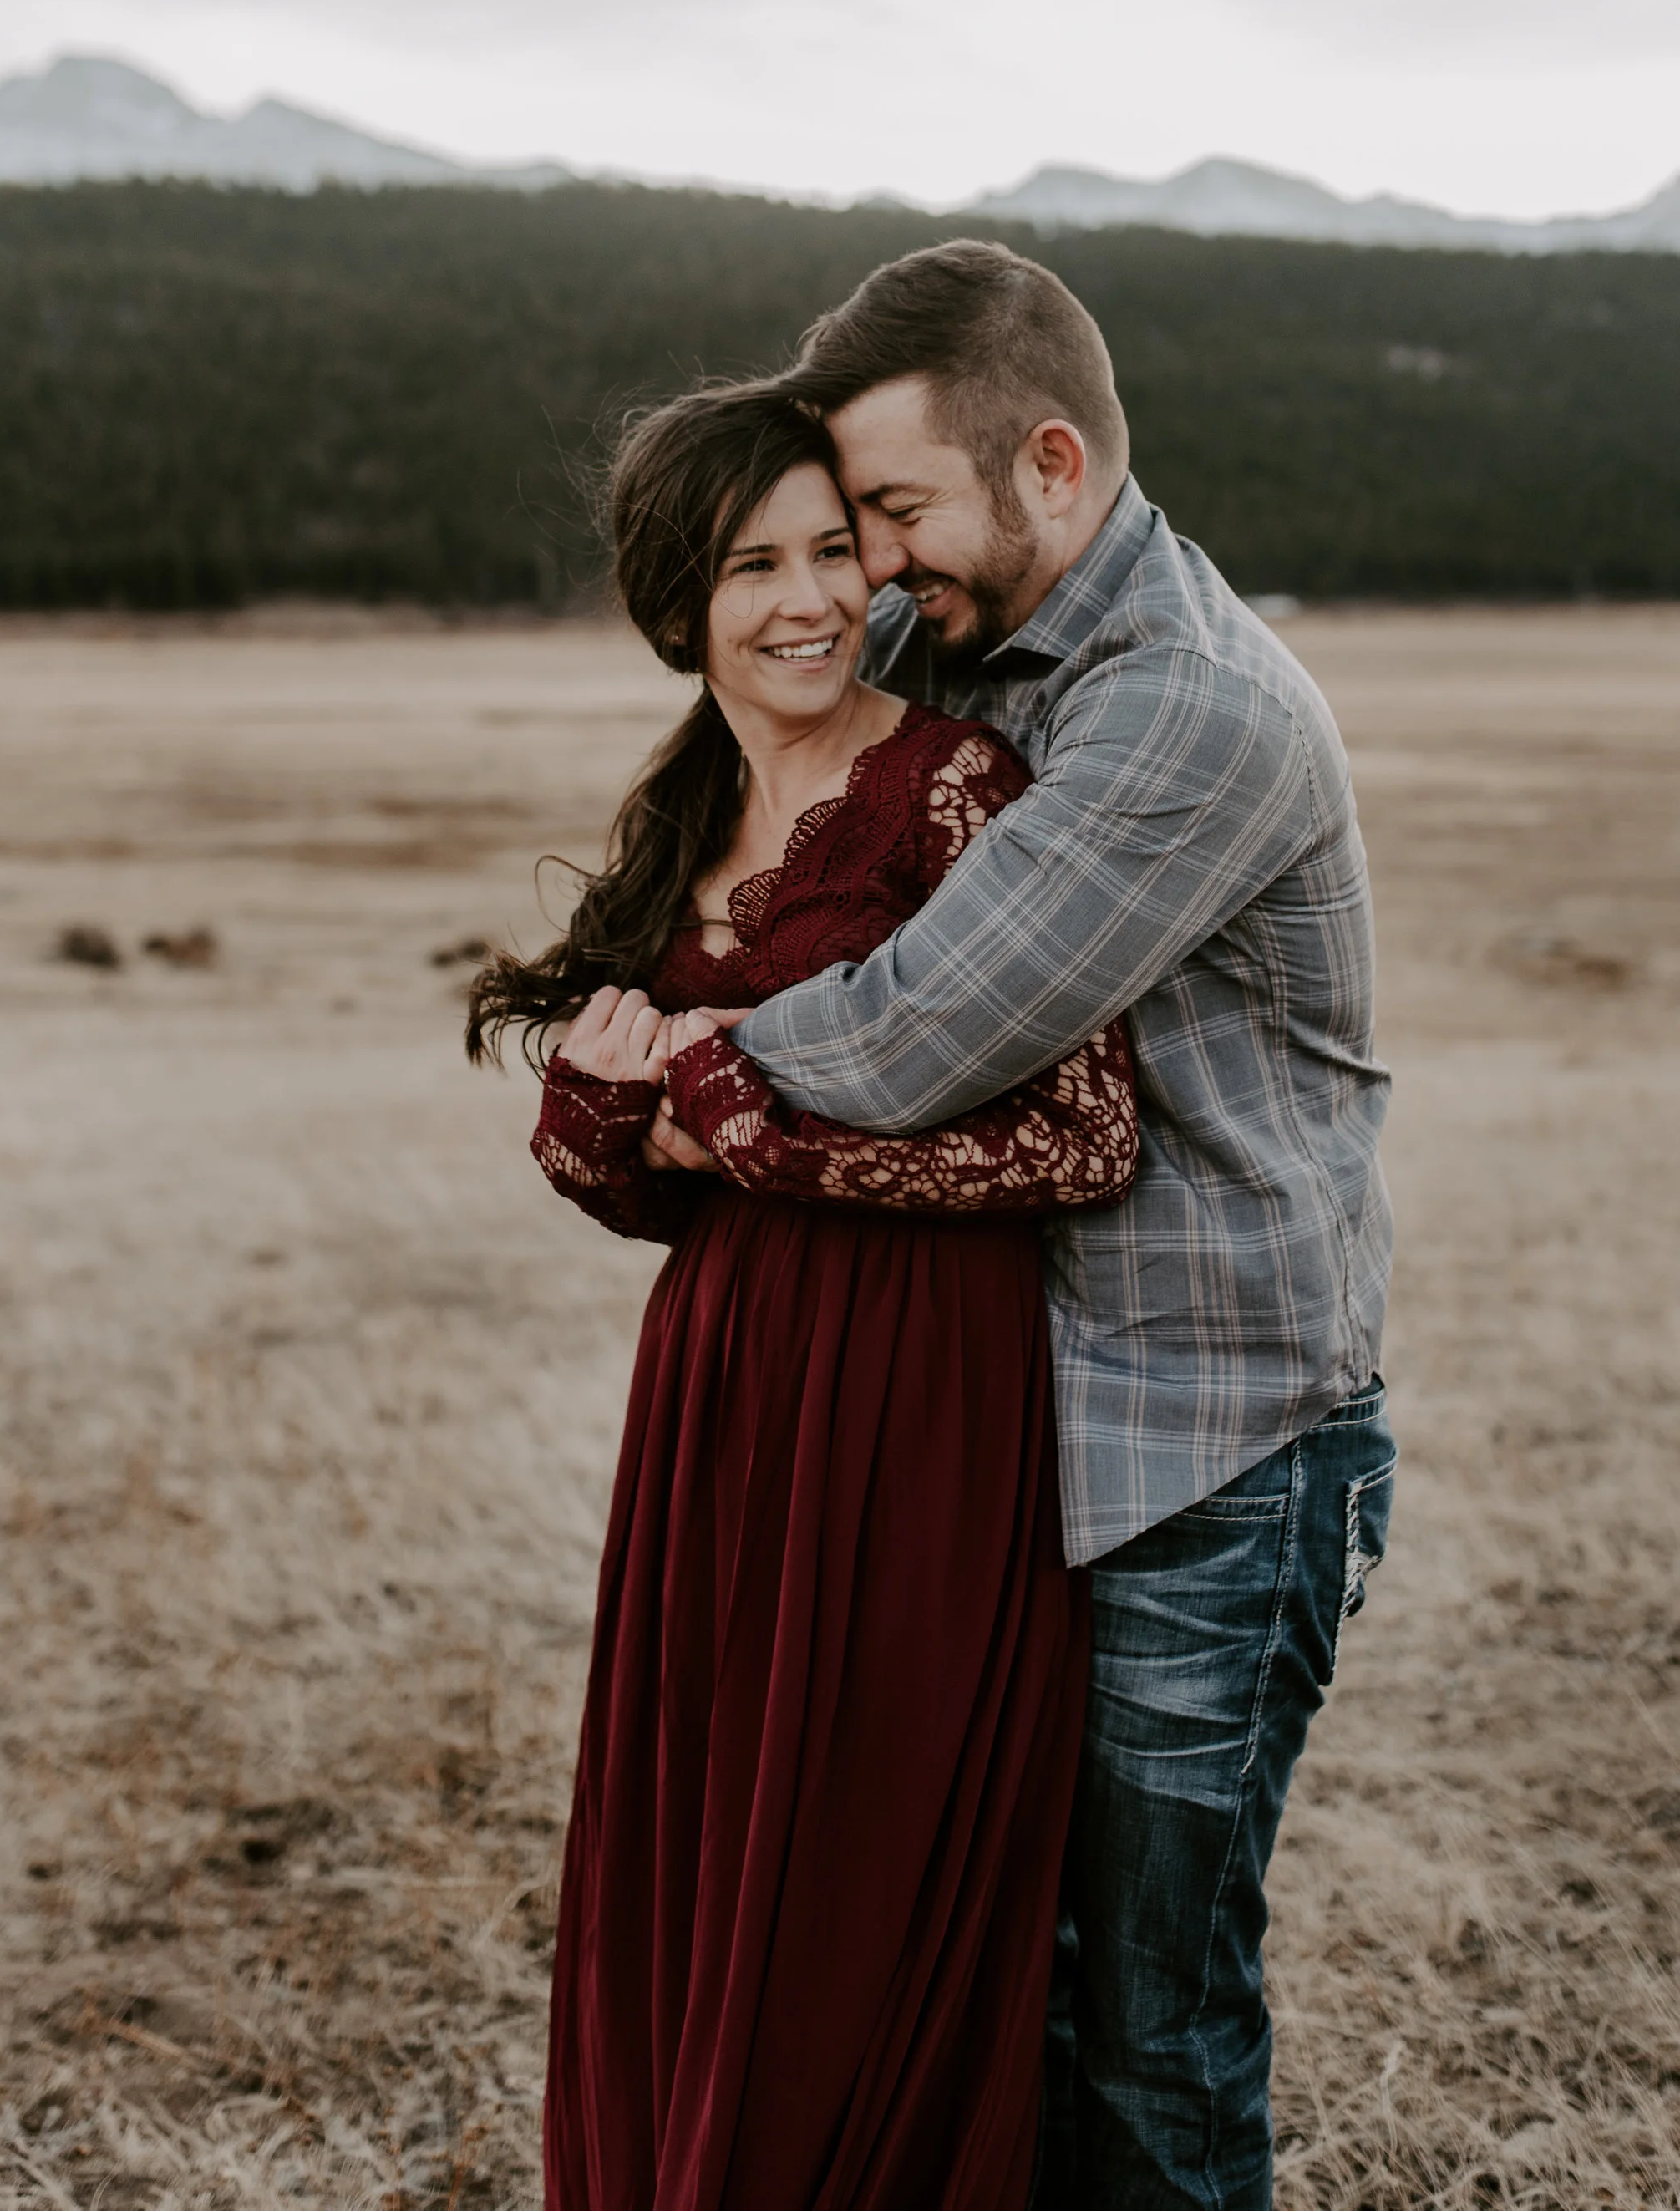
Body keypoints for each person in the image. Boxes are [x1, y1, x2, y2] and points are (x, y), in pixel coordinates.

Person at [641, 242, 1395, 2211]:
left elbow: (916, 1033)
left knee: (1142, 2024)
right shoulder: (962, 650)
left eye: (891, 512)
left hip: (1203, 1457)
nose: (866, 571)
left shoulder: (1193, 711)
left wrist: (668, 1080)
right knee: (993, 1997)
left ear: (1048, 464)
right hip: (1006, 1446)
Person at [466, 380, 1139, 2211]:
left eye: (832, 550)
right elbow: (628, 1174)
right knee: (704, 1867)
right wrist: (604, 1119)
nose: (806, 599)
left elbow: (1076, 1140)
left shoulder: (955, 793)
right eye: (750, 564)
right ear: (674, 607)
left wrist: (721, 1112)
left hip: (924, 1400)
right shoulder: (679, 817)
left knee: (856, 1885)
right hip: (721, 1401)